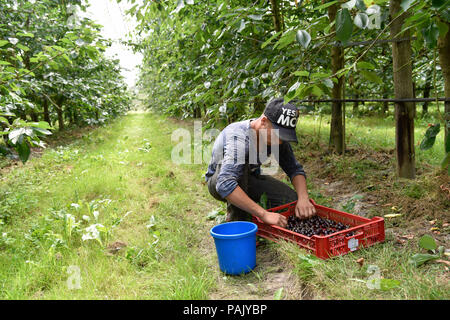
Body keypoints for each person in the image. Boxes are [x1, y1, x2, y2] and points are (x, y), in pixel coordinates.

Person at [205, 98, 316, 228]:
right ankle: (237, 220)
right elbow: (225, 184)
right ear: (263, 121)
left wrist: (303, 198)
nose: (280, 141)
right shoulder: (239, 138)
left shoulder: (276, 137)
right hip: (219, 181)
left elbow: (294, 170)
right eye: (278, 135)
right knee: (240, 171)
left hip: (249, 178)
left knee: (291, 200)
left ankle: (248, 206)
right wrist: (263, 214)